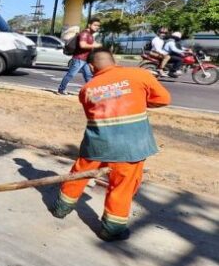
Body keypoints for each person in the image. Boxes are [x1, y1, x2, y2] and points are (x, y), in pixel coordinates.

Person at [50, 48, 171, 241]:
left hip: (97, 144)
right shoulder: (139, 75)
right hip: (131, 146)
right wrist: (138, 99)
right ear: (113, 60)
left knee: (78, 176)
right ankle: (111, 229)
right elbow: (163, 99)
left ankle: (60, 209)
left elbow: (93, 112)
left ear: (91, 66)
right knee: (122, 186)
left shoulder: (87, 89)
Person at [57, 19, 101, 95]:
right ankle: (61, 90)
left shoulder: (90, 35)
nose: (97, 27)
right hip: (79, 59)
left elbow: (91, 45)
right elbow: (82, 45)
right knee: (71, 74)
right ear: (89, 25)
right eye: (95, 25)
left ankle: (92, 92)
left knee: (88, 76)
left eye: (98, 26)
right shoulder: (84, 34)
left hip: (85, 60)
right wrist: (95, 45)